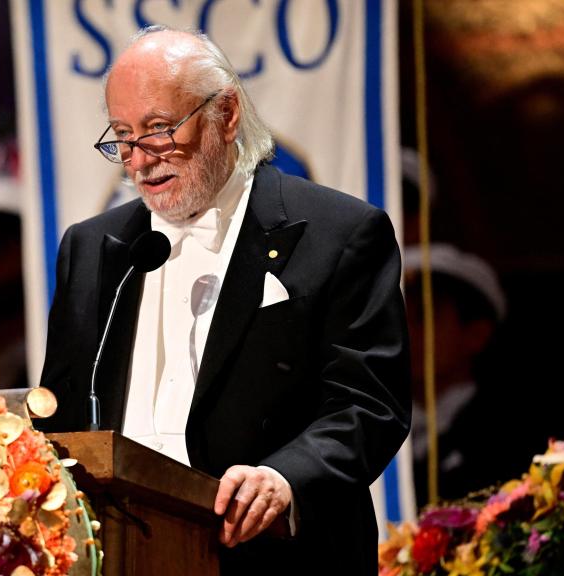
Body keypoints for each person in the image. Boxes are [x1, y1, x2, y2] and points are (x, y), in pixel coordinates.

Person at [39, 26, 409, 574]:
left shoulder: (340, 232)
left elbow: (369, 402)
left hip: (276, 557)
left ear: (227, 113)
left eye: (160, 129)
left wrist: (286, 478)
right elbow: (63, 413)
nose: (138, 160)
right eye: (122, 135)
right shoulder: (92, 248)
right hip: (120, 552)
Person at [403, 244, 504, 501]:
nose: (406, 333)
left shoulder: (504, 432)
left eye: (422, 317)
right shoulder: (374, 423)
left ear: (476, 334)